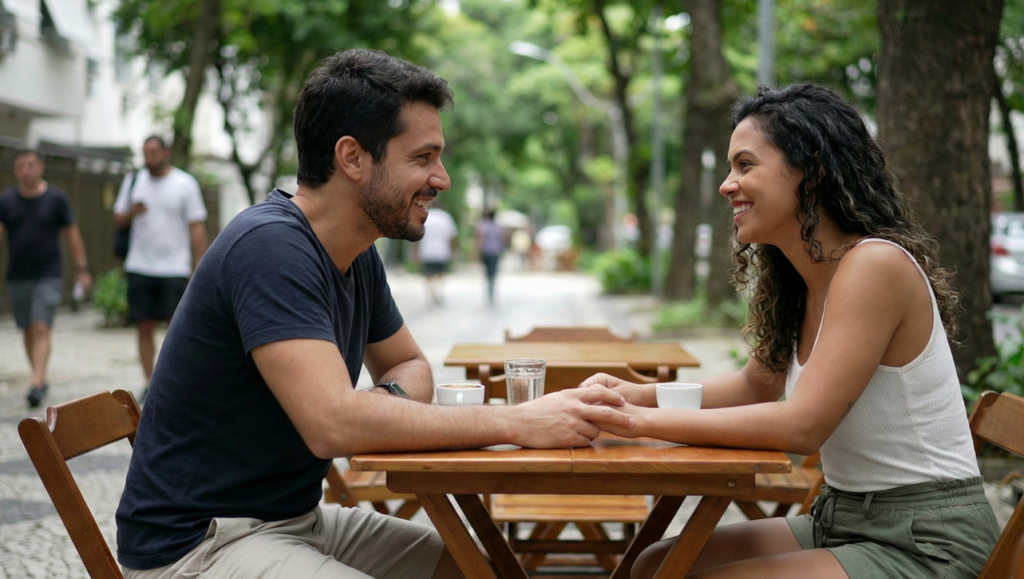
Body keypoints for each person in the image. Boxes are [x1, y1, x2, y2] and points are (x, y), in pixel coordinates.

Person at [115, 49, 632, 579]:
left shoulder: (354, 252)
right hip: (202, 543)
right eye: (422, 158)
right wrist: (516, 422)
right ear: (353, 157)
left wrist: (376, 406)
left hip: (296, 521)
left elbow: (411, 367)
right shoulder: (270, 247)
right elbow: (331, 425)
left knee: (486, 569)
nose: (442, 178)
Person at [581, 84, 1000, 579]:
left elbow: (801, 427)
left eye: (745, 165)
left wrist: (635, 422)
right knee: (655, 566)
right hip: (841, 518)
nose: (726, 184)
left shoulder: (874, 266)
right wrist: (638, 395)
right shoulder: (807, 275)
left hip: (928, 541)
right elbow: (753, 386)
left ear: (812, 169)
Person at [113, 136, 208, 401]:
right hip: (140, 265)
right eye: (145, 152)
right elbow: (118, 218)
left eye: (154, 151)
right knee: (143, 327)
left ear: (167, 152)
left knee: (176, 329)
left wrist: (200, 263)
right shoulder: (134, 181)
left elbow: (196, 225)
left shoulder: (184, 183)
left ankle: (174, 379)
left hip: (174, 268)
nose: (149, 157)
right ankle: (151, 381)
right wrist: (133, 212)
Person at [0, 150, 92, 407]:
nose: (26, 170)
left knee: (41, 326)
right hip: (18, 275)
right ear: (16, 170)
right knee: (28, 330)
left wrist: (82, 268)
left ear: (40, 167)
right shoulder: (6, 201)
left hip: (48, 274)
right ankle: (39, 376)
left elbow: (73, 236)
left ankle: (36, 382)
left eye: (30, 164)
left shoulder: (57, 199)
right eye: (20, 165)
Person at [416, 201, 457, 305]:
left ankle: (431, 292)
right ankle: (438, 291)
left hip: (426, 250)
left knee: (428, 274)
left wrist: (416, 252)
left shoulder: (424, 217)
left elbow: (416, 235)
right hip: (442, 251)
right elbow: (452, 236)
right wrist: (453, 251)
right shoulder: (445, 217)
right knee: (441, 274)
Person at [474, 208, 506, 304]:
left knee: (487, 272)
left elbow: (479, 240)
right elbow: (503, 239)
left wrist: (476, 253)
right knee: (493, 271)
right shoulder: (498, 227)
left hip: (486, 252)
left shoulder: (482, 226)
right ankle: (491, 287)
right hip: (496, 252)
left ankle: (489, 288)